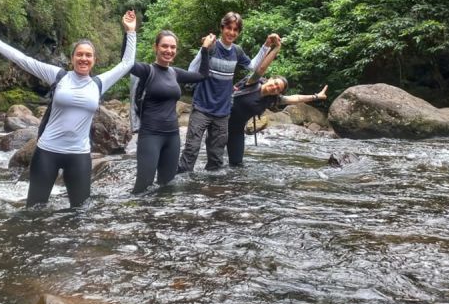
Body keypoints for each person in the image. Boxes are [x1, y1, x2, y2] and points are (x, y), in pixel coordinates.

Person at [0, 11, 136, 207]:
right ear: (72, 58)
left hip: (79, 155)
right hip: (47, 152)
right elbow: (24, 60)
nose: (84, 59)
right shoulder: (58, 76)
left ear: (94, 60)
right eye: (79, 54)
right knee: (34, 210)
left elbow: (127, 63)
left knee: (80, 213)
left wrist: (130, 32)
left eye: (88, 55)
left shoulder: (99, 83)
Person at [177, 11, 279, 172]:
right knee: (191, 150)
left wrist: (266, 45)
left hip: (223, 112)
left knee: (216, 158)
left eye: (235, 30)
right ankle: (182, 188)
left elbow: (253, 66)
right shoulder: (212, 46)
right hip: (201, 108)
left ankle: (213, 190)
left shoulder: (236, 51)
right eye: (228, 28)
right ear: (222, 28)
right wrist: (204, 49)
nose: (231, 32)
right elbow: (192, 70)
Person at [130, 30, 216, 193]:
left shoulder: (174, 73)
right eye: (164, 46)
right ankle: (139, 217)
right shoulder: (147, 71)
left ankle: (163, 218)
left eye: (173, 47)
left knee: (167, 186)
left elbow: (202, 75)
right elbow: (126, 62)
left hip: (172, 137)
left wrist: (205, 50)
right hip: (150, 136)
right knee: (143, 187)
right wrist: (129, 32)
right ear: (156, 47)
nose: (169, 50)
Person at [228, 73, 328, 167]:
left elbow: (295, 98)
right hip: (219, 121)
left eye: (278, 89)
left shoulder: (272, 99)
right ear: (270, 79)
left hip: (236, 130)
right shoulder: (252, 82)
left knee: (237, 164)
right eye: (275, 83)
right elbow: (260, 68)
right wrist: (272, 53)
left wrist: (316, 96)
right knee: (214, 159)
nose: (274, 87)